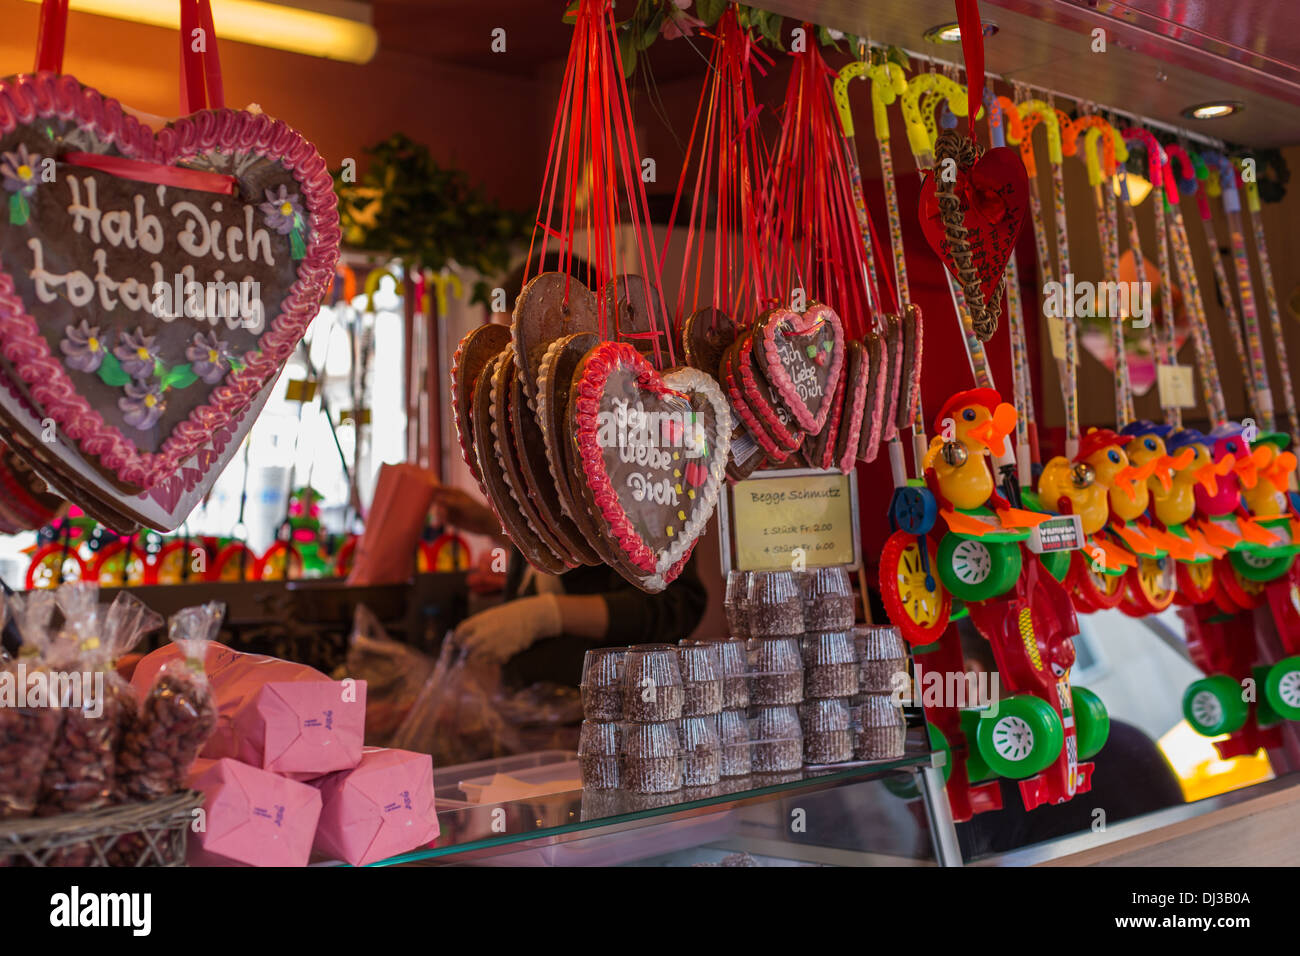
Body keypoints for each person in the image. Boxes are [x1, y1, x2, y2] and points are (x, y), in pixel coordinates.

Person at [432, 253, 707, 686]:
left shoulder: (638, 432)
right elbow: (569, 532)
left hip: (618, 710)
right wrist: (492, 523)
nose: (513, 374)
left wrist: (548, 616)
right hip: (536, 713)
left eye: (527, 353)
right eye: (509, 354)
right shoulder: (533, 431)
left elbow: (675, 606)